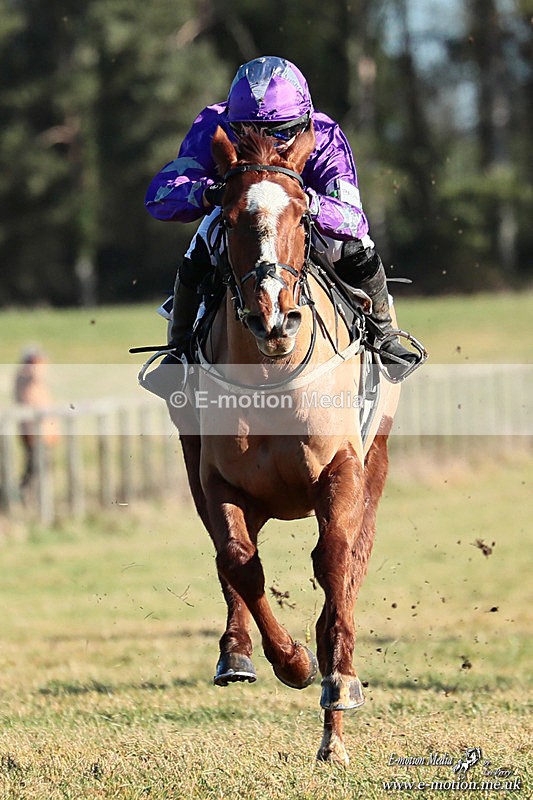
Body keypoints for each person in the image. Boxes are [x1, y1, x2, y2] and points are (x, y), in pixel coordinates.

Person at [145, 55, 418, 368]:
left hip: (300, 214)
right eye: (249, 130)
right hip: (242, 210)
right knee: (202, 243)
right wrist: (210, 193)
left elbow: (353, 218)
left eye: (280, 132)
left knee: (354, 246)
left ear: (302, 122)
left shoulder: (325, 135)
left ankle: (384, 335)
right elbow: (160, 195)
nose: (266, 141)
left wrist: (307, 203)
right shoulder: (212, 125)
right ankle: (179, 351)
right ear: (232, 122)